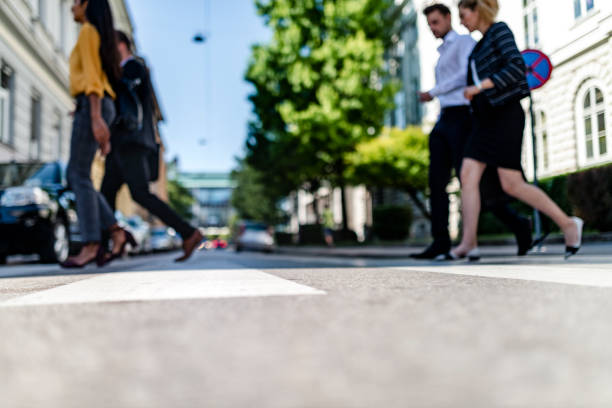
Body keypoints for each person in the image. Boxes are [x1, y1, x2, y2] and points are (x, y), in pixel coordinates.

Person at [448, 0, 583, 261]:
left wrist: (481, 86)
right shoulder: (477, 47)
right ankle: (469, 242)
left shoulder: (499, 31)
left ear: (478, 10)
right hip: (484, 120)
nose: (462, 21)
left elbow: (516, 68)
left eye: (464, 15)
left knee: (512, 184)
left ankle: (568, 224)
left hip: (505, 115)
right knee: (467, 175)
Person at [412, 3, 532, 260]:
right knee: (437, 181)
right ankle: (441, 241)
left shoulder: (467, 43)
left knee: (480, 183)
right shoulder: (441, 52)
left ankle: (517, 225)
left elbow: (464, 78)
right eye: (429, 24)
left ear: (447, 18)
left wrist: (433, 92)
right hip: (444, 117)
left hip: (464, 118)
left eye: (435, 22)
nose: (432, 28)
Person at [101, 31, 203, 262]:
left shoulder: (134, 67)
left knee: (139, 194)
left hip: (132, 143)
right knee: (106, 193)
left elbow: (124, 96)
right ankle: (109, 242)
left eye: (111, 45)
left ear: (123, 45)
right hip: (121, 143)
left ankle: (188, 232)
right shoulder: (126, 70)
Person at [61, 0, 135, 268]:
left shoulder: (89, 32)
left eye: (75, 2)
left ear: (86, 4)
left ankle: (92, 245)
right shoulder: (94, 33)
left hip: (94, 103)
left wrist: (93, 116)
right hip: (94, 103)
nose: (71, 7)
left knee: (77, 174)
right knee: (80, 175)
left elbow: (92, 77)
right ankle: (115, 231)